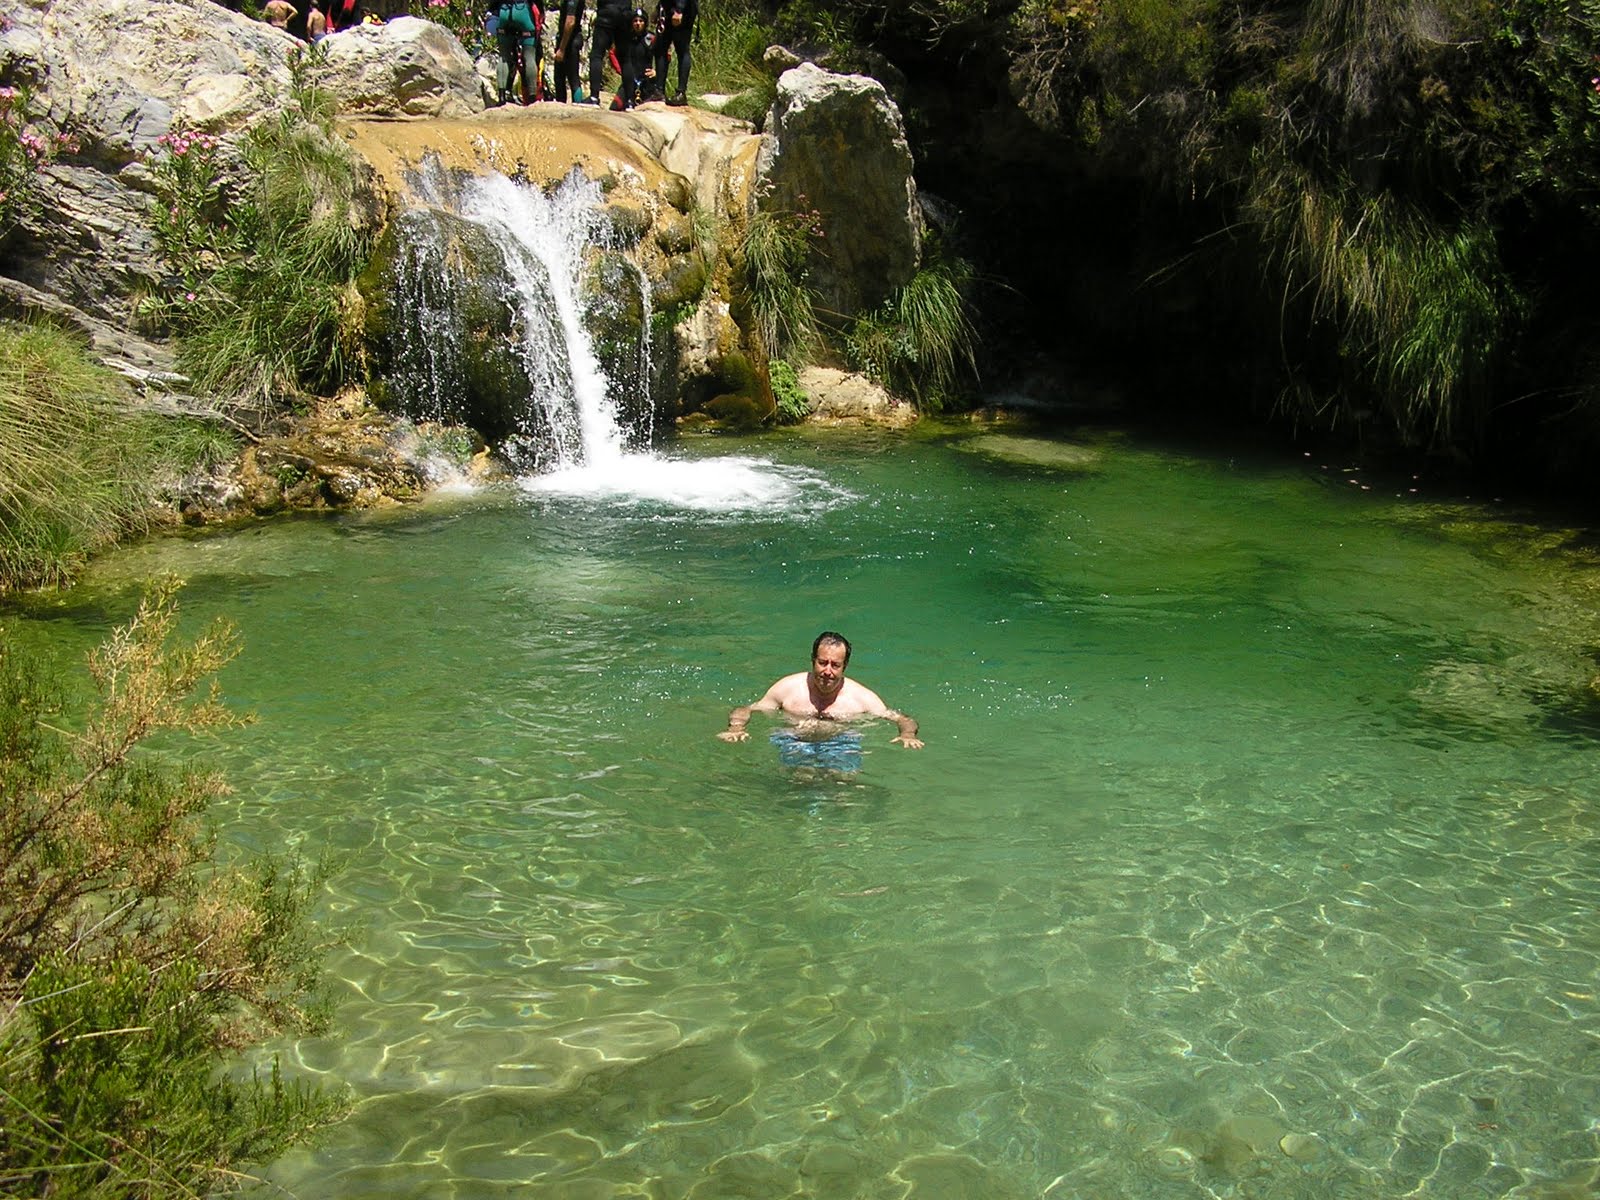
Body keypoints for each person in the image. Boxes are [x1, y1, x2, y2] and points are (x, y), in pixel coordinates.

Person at [718, 631, 924, 749]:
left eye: (835, 665)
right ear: (813, 660)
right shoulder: (788, 687)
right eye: (822, 662)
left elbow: (900, 718)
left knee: (842, 784)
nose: (827, 671)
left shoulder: (861, 698)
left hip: (841, 743)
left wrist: (908, 734)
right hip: (794, 739)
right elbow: (747, 708)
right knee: (799, 780)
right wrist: (736, 727)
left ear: (845, 667)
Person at [495, 0, 544, 104]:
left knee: (504, 56)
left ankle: (502, 96)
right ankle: (532, 97)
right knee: (529, 56)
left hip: (504, 11)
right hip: (522, 11)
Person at [608, 7, 656, 110]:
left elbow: (664, 56)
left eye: (641, 21)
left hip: (647, 84)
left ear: (645, 23)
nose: (638, 23)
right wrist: (621, 70)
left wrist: (656, 72)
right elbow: (612, 53)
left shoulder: (651, 38)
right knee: (614, 108)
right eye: (635, 21)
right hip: (628, 84)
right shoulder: (625, 38)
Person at [586, 0, 630, 106]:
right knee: (625, 59)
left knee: (597, 55)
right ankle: (629, 101)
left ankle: (594, 98)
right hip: (626, 13)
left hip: (607, 12)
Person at [651, 0, 695, 106]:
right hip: (667, 10)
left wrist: (679, 9)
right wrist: (658, 8)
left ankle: (681, 93)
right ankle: (659, 91)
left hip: (683, 11)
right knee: (660, 49)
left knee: (682, 50)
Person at [551, 0, 584, 102]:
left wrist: (562, 48)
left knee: (572, 77)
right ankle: (561, 107)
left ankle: (577, 107)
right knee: (559, 77)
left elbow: (570, 22)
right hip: (568, 39)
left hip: (571, 41)